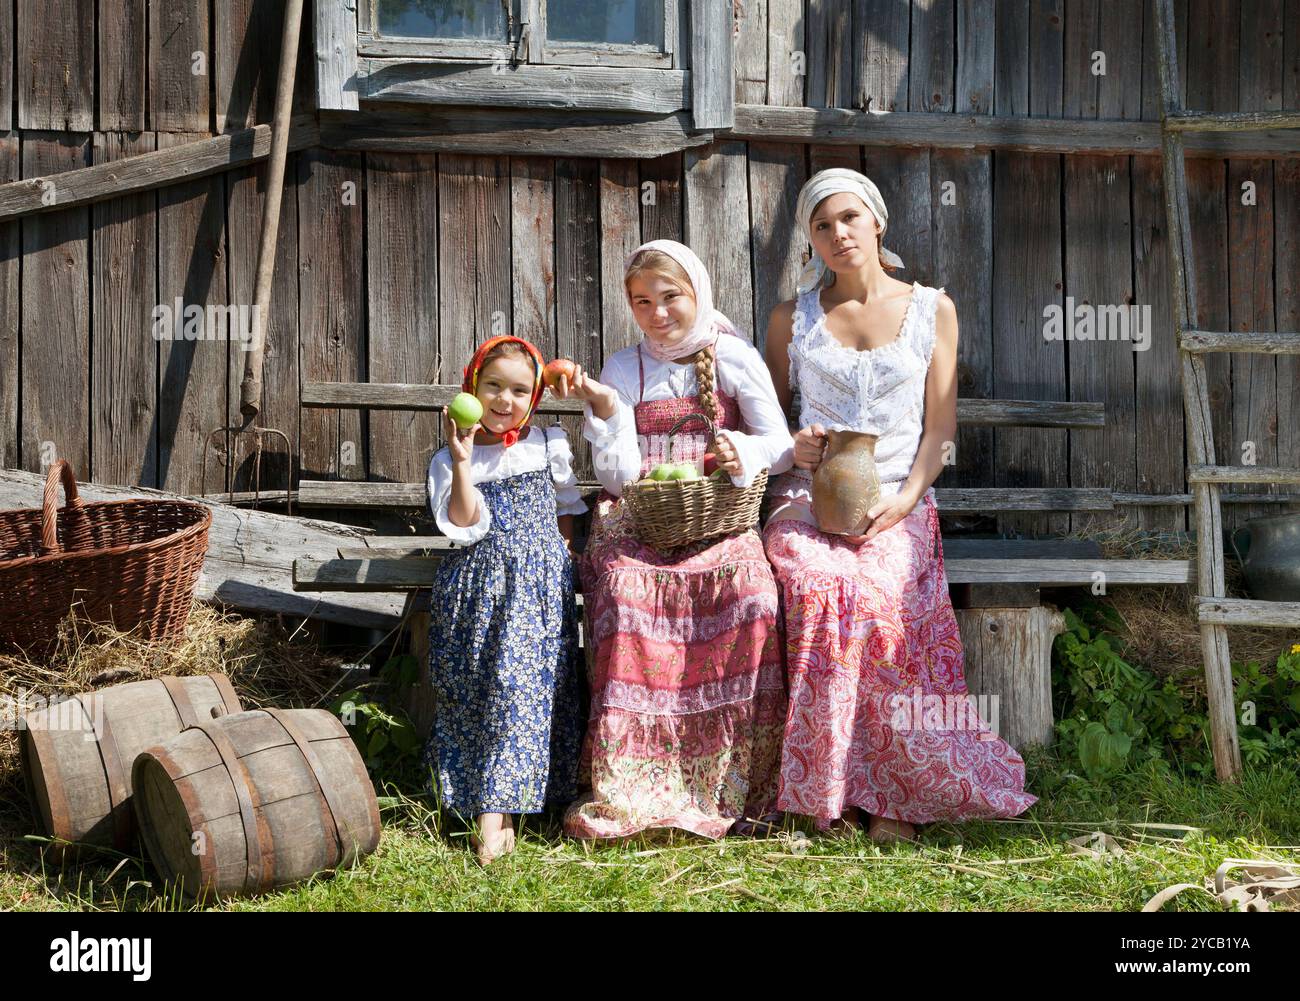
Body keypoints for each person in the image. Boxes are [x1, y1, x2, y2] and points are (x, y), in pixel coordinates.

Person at [763, 169, 1036, 844]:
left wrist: (907, 500)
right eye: (822, 226)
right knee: (821, 586)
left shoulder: (931, 308)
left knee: (880, 598)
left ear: (878, 221)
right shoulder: (790, 318)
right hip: (808, 500)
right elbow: (766, 423)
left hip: (897, 495)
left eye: (850, 218)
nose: (838, 234)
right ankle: (829, 792)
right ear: (810, 240)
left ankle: (894, 790)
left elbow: (940, 430)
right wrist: (793, 445)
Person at [552, 239, 794, 840]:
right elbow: (616, 478)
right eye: (642, 302)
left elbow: (782, 444)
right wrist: (608, 411)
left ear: (697, 293)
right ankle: (635, 784)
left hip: (718, 512)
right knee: (624, 590)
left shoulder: (734, 357)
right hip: (640, 513)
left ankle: (736, 782)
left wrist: (743, 453)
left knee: (753, 596)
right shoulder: (623, 368)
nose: (657, 313)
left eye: (670, 297)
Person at [422, 335, 587, 865]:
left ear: (534, 397)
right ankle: (496, 813)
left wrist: (559, 555)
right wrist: (464, 461)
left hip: (540, 587)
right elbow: (465, 526)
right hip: (481, 583)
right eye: (492, 386)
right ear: (472, 386)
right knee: (494, 687)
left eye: (519, 390)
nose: (503, 400)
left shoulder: (546, 443)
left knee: (529, 687)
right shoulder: (448, 460)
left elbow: (565, 510)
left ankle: (510, 806)